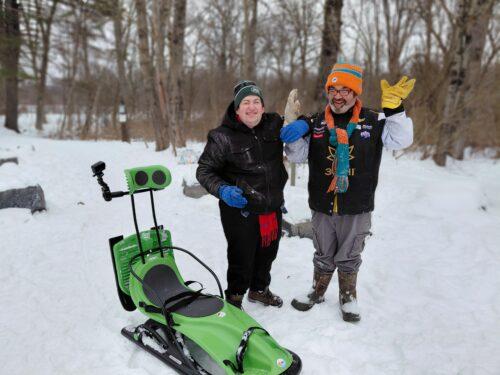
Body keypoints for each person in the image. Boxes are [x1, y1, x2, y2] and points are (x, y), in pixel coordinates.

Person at [280, 63, 415, 321]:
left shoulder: (374, 121)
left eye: (346, 90)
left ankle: (348, 296)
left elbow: (401, 141)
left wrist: (395, 109)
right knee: (322, 252)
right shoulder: (316, 122)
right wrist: (293, 126)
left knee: (350, 254)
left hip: (357, 205)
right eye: (334, 89)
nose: (339, 95)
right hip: (322, 204)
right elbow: (296, 156)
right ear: (328, 91)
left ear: (355, 94)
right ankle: (317, 290)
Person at [196, 80, 287, 309]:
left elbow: (305, 122)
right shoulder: (222, 136)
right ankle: (235, 297)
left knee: (268, 253)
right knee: (241, 257)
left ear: (263, 107)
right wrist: (222, 190)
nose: (252, 107)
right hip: (240, 210)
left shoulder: (274, 124)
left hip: (271, 206)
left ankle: (258, 290)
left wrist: (303, 124)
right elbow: (204, 170)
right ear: (236, 109)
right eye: (245, 102)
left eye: (256, 101)